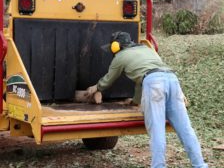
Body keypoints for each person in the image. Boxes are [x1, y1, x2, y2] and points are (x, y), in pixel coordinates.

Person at [85, 31, 208, 168]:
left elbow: (109, 80)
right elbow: (141, 81)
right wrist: (135, 102)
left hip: (154, 83)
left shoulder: (119, 57)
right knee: (185, 129)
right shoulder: (146, 49)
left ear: (115, 46)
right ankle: (200, 165)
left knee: (157, 131)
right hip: (172, 80)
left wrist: (96, 87)